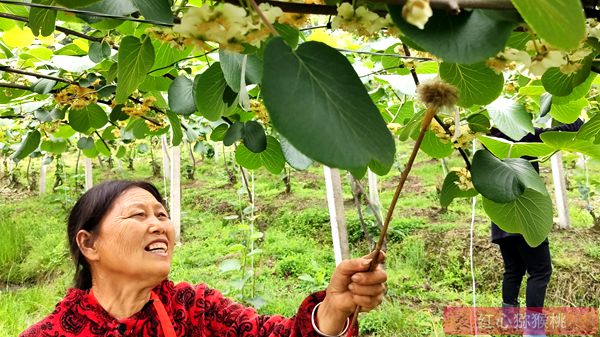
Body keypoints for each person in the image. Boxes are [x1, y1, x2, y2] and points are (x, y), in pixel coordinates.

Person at [20, 180, 387, 337]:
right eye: (138, 215)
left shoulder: (194, 309)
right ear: (89, 245)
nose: (159, 226)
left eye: (162, 215)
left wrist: (335, 308)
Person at [488, 118, 583, 337]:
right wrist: (571, 109)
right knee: (540, 271)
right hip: (526, 213)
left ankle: (509, 320)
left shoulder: (489, 141)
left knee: (513, 269)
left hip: (501, 216)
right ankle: (533, 329)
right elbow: (566, 130)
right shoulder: (526, 137)